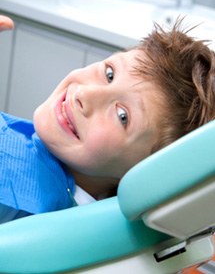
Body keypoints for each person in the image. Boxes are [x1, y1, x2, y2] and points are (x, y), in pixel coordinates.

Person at [1, 15, 215, 223]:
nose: (85, 95)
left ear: (139, 174)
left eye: (122, 116)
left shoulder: (25, 207)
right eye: (110, 74)